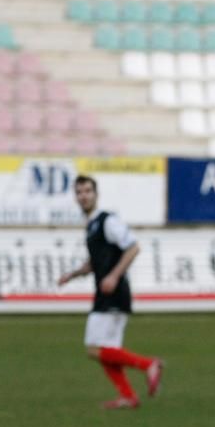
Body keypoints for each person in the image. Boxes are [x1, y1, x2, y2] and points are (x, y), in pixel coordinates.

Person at [57, 175, 163, 409]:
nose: (83, 196)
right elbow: (94, 263)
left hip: (114, 292)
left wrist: (114, 276)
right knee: (106, 350)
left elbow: (133, 247)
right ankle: (128, 396)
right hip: (106, 292)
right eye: (79, 192)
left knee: (95, 348)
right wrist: (72, 275)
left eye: (87, 191)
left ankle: (148, 365)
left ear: (96, 194)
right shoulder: (92, 225)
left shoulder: (108, 221)